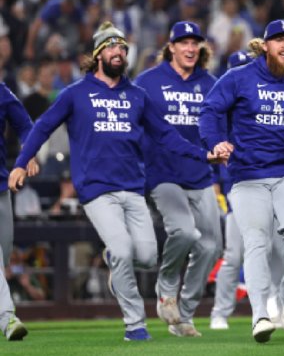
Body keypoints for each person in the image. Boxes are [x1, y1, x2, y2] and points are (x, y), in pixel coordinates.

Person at [9, 21, 223, 341]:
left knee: (148, 256)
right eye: (111, 47)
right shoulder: (75, 94)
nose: (118, 52)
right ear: (98, 54)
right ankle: (135, 324)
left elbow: (166, 135)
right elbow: (43, 127)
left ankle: (113, 260)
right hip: (97, 190)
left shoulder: (137, 96)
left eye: (122, 48)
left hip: (133, 188)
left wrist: (203, 155)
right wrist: (21, 163)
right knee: (123, 250)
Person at [199, 19, 284, 343]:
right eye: (278, 40)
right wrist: (215, 142)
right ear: (265, 45)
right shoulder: (239, 77)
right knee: (255, 241)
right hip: (246, 175)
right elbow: (210, 110)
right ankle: (259, 314)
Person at [134, 21, 223, 337]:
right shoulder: (147, 82)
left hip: (200, 174)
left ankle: (184, 315)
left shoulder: (211, 83)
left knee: (212, 245)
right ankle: (166, 287)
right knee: (184, 232)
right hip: (163, 173)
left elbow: (219, 126)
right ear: (170, 47)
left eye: (194, 43)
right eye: (182, 43)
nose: (189, 48)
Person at [209, 51, 284, 331]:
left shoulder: (261, 106)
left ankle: (272, 302)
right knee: (234, 254)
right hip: (235, 189)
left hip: (268, 186)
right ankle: (220, 311)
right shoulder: (221, 112)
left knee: (276, 248)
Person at [0, 82, 36, 341]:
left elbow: (25, 124)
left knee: (4, 252)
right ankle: (7, 317)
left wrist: (29, 153)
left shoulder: (1, 91)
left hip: (0, 185)